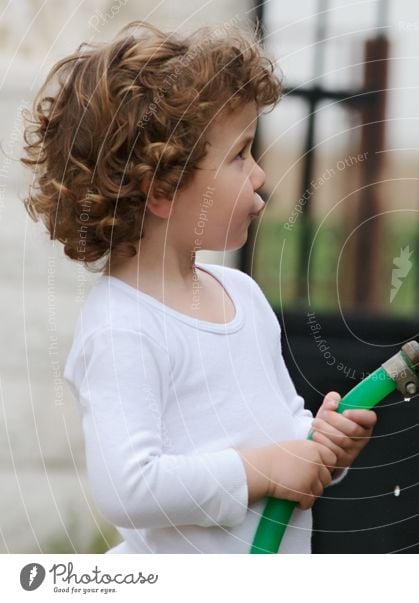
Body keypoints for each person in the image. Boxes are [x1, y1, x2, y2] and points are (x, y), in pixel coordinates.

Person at [21, 20, 377, 553]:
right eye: (239, 155)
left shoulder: (243, 297)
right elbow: (129, 488)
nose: (259, 176)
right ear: (160, 188)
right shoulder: (123, 327)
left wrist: (322, 446)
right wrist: (264, 470)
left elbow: (283, 445)